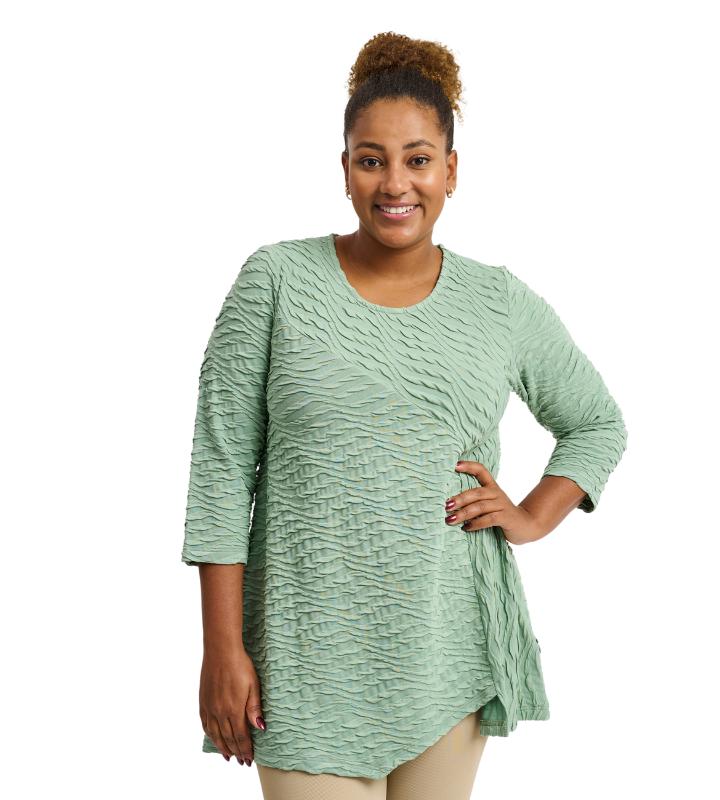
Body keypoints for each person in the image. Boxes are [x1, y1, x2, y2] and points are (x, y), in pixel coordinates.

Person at [181, 31, 628, 800]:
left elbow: (596, 422)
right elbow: (221, 470)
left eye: (418, 160)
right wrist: (222, 648)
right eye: (371, 159)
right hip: (304, 657)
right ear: (344, 169)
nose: (396, 183)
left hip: (446, 651)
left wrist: (530, 516)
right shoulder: (276, 282)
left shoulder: (497, 301)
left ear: (450, 170)